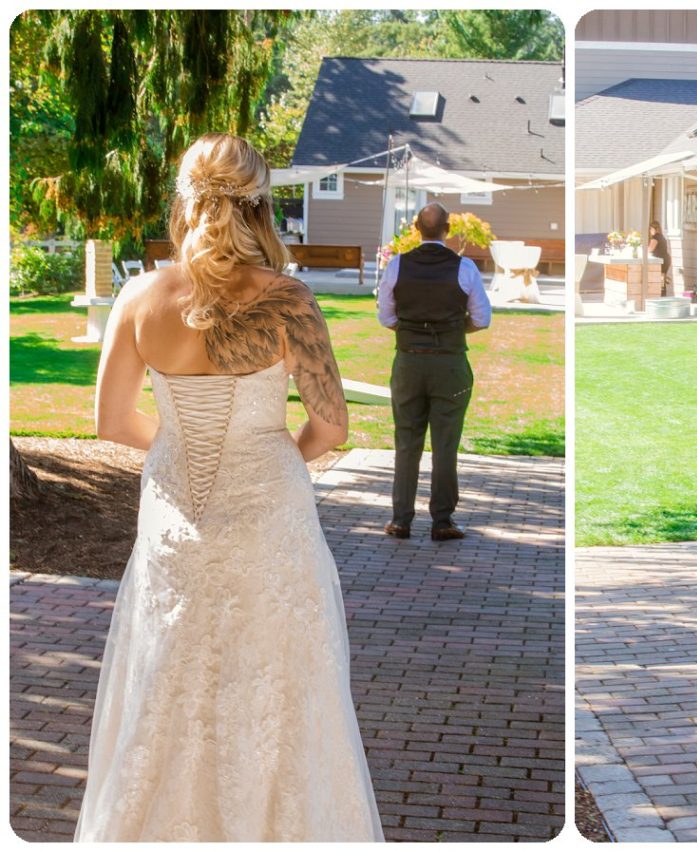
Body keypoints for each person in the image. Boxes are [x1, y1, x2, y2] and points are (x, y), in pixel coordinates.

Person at [74, 133, 384, 841]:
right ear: (261, 206)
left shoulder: (139, 297)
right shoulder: (289, 302)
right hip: (270, 515)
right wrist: (272, 458)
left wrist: (178, 449)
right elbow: (331, 427)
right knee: (277, 682)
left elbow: (113, 421)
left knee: (168, 680)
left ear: (184, 201)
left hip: (175, 514)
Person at [377, 202, 491, 541]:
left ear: (415, 227)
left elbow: (386, 317)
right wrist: (451, 332)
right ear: (449, 230)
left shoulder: (397, 265)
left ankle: (401, 520)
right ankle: (442, 520)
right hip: (450, 364)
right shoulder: (465, 267)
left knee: (406, 441)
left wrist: (415, 332)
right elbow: (482, 319)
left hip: (409, 362)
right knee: (445, 443)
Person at [648, 220, 671, 296]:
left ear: (654, 229)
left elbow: (650, 249)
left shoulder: (655, 237)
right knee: (662, 278)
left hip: (661, 261)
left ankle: (662, 294)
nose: (650, 231)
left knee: (661, 278)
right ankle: (663, 293)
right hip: (665, 259)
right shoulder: (662, 237)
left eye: (650, 229)